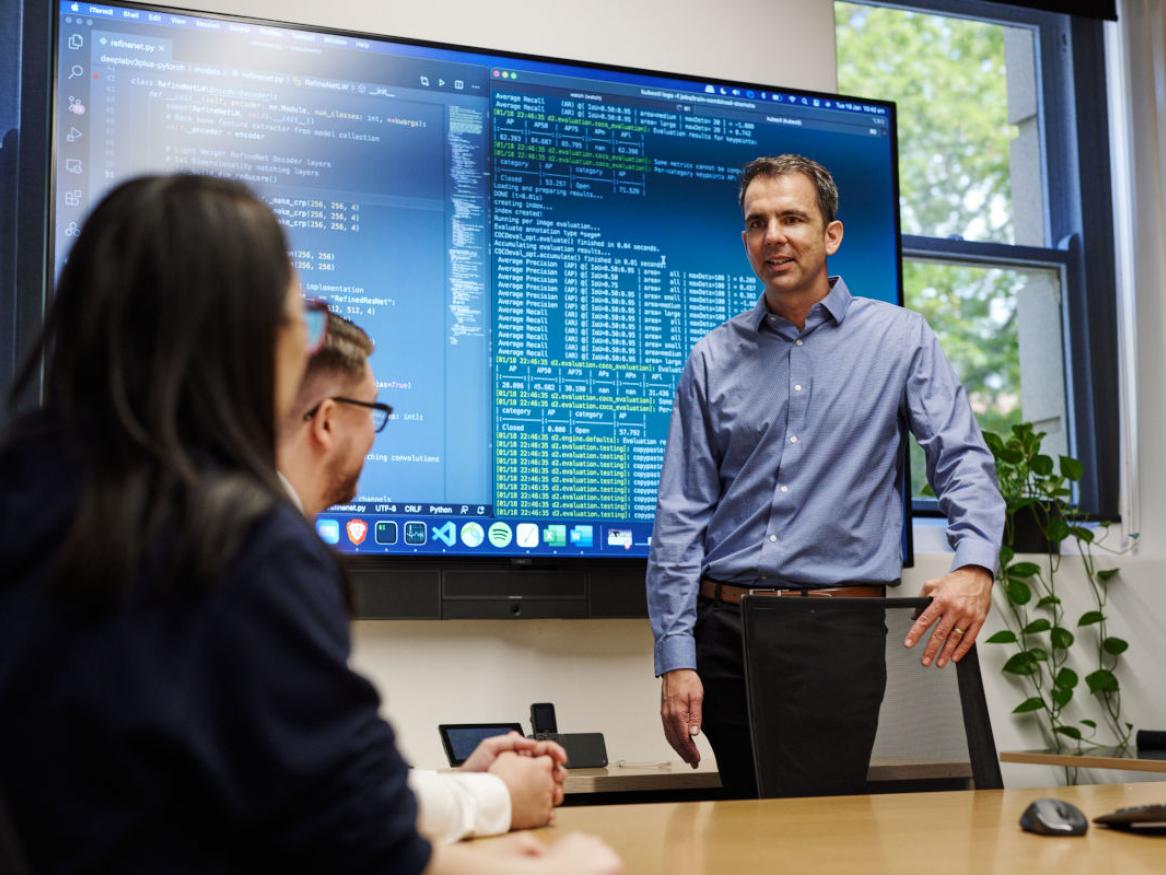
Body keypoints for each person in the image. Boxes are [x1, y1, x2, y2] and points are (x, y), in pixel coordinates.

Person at [0, 174, 620, 875]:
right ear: (239, 341)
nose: (305, 348)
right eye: (299, 318)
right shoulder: (240, 545)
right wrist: (568, 867)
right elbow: (360, 849)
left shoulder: (31, 489)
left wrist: (451, 791)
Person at [647, 154, 1004, 798]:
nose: (773, 236)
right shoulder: (711, 357)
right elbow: (680, 518)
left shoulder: (901, 340)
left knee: (821, 836)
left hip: (835, 636)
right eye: (757, 223)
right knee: (743, 833)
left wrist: (974, 564)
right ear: (746, 242)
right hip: (725, 633)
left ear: (830, 235)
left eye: (792, 218)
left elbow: (962, 461)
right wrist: (677, 657)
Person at [278, 312, 569, 843]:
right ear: (325, 422)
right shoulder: (270, 554)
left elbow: (313, 773)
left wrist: (457, 783)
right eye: (374, 412)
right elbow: (334, 804)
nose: (373, 437)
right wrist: (498, 798)